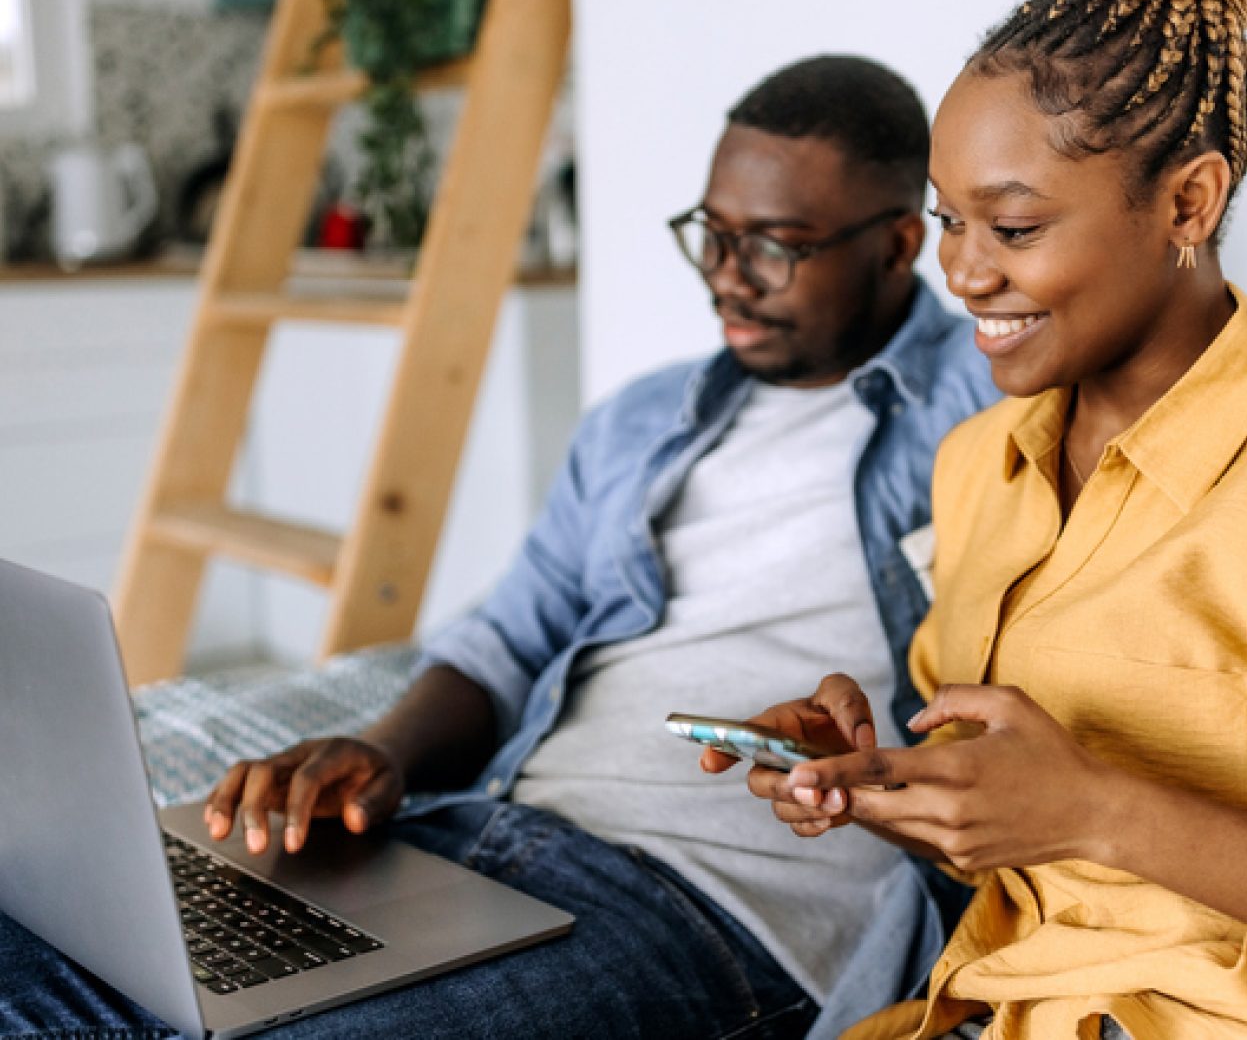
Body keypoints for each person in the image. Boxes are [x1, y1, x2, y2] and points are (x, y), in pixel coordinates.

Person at [0, 55, 999, 1039]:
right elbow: (509, 639)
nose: (725, 280)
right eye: (710, 234)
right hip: (468, 840)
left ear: (897, 244)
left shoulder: (991, 400)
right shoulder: (642, 421)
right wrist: (382, 752)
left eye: (774, 246)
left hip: (708, 905)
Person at [724, 0, 1247, 1038]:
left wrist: (1099, 811)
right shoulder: (980, 470)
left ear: (1186, 202)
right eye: (948, 220)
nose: (961, 272)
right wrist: (872, 781)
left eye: (1012, 226)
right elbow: (1023, 828)